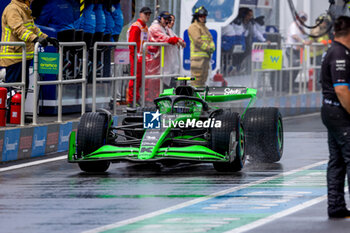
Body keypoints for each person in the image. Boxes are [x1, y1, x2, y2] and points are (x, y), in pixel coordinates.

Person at [321, 16, 350, 218]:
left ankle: (336, 206)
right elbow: (341, 90)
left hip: (332, 111)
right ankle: (336, 205)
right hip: (339, 113)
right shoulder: (340, 54)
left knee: (337, 160)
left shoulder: (336, 50)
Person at [0, 0, 58, 92]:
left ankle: (19, 106)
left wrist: (46, 38)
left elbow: (33, 29)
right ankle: (10, 106)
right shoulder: (12, 9)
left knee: (22, 89)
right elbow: (18, 29)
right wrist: (35, 39)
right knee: (14, 90)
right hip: (14, 56)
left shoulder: (24, 9)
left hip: (23, 56)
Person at [146, 11, 185, 101]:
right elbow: (165, 39)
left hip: (163, 64)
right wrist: (177, 40)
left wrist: (179, 40)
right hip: (154, 63)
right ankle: (151, 104)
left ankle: (164, 103)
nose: (167, 21)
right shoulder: (155, 28)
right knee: (153, 87)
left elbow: (173, 37)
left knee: (163, 86)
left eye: (168, 19)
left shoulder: (165, 28)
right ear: (160, 18)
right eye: (165, 19)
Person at [127, 6, 152, 105]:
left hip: (142, 57)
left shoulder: (145, 27)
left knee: (140, 80)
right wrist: (134, 57)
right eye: (146, 14)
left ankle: (136, 99)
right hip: (136, 57)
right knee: (135, 79)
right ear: (140, 14)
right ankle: (132, 100)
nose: (148, 16)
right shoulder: (136, 26)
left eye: (149, 14)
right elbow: (132, 44)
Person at [188, 6, 215, 87]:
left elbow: (210, 39)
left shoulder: (204, 28)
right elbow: (197, 41)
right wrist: (208, 48)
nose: (203, 18)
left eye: (204, 16)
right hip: (197, 58)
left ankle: (201, 96)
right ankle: (195, 97)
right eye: (201, 16)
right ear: (196, 16)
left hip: (205, 58)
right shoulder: (193, 27)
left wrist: (212, 47)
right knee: (197, 79)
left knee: (204, 79)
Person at [285, 12, 312, 91]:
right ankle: (288, 87)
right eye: (302, 18)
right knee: (294, 66)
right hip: (291, 49)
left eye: (304, 18)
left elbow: (305, 36)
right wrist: (303, 42)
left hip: (298, 49)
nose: (303, 20)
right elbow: (294, 36)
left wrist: (309, 41)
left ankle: (291, 85)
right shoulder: (294, 25)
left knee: (297, 67)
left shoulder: (301, 27)